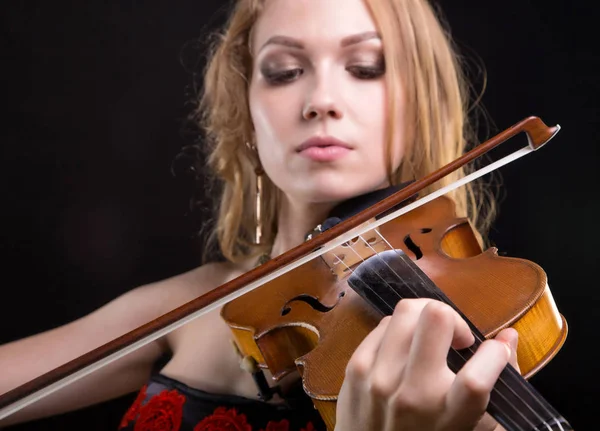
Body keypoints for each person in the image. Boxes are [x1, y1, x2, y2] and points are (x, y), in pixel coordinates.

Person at [0, 0, 521, 430]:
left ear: (417, 103)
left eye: (364, 68)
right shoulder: (188, 306)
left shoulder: (462, 355)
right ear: (246, 110)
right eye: (284, 72)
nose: (321, 100)